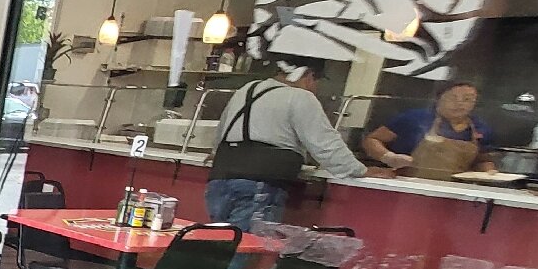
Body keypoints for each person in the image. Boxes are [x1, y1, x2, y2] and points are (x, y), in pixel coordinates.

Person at [205, 60, 369, 231]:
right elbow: (326, 144)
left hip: (220, 181)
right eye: (317, 82)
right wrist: (359, 170)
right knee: (248, 243)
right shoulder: (300, 97)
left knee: (221, 240)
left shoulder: (248, 89)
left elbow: (221, 132)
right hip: (259, 184)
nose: (316, 88)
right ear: (309, 75)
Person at [362, 80, 497, 178]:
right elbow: (372, 140)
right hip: (405, 184)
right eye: (453, 98)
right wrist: (389, 157)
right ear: (439, 98)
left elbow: (482, 160)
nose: (460, 103)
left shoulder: (481, 128)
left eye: (467, 99)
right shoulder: (415, 118)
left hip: (453, 190)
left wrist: (488, 173)